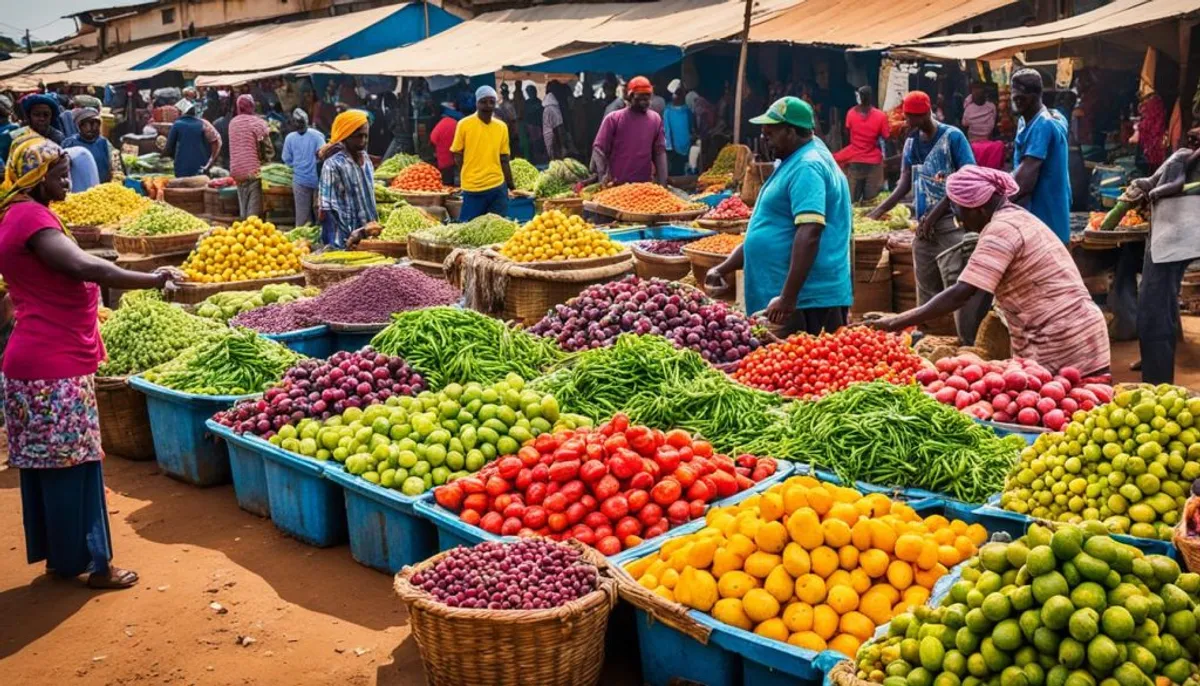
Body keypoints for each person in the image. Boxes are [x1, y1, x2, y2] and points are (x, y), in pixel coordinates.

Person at [0, 133, 184, 590]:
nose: (68, 180)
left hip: (34, 359)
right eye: (60, 174)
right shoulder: (32, 220)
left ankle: (62, 559)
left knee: (49, 468)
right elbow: (87, 268)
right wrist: (152, 278)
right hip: (52, 364)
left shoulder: (16, 215)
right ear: (37, 178)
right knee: (77, 467)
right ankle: (94, 563)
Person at [871, 166, 1110, 376]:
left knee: (1062, 415)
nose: (960, 222)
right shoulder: (1018, 218)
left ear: (978, 209)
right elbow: (981, 292)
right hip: (1077, 331)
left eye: (959, 213)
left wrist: (896, 322)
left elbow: (962, 292)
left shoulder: (1001, 231)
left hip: (1061, 340)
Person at [706, 97, 852, 336]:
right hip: (792, 298)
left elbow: (810, 232)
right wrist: (723, 268)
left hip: (806, 301)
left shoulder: (808, 166)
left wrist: (787, 297)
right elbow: (772, 227)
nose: (764, 137)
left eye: (771, 132)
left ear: (792, 132)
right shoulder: (798, 157)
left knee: (802, 367)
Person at [867, 91, 987, 342]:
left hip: (951, 222)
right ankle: (927, 337)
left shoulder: (952, 137)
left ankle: (966, 339)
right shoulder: (911, 143)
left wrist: (934, 216)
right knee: (924, 282)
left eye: (911, 118)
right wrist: (876, 212)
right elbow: (904, 185)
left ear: (924, 114)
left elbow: (966, 180)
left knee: (956, 282)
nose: (908, 123)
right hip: (923, 225)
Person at [1124, 127, 1200, 384]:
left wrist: (1157, 190)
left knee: (1154, 305)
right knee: (1156, 302)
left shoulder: (1184, 160)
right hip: (1178, 224)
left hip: (1179, 223)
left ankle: (1156, 384)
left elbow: (1174, 183)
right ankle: (1157, 380)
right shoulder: (1181, 157)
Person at [1010, 68, 1071, 244]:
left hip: (1046, 210)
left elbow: (1023, 183)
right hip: (1038, 211)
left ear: (1037, 95)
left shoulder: (1043, 124)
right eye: (1014, 94)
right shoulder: (1026, 120)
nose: (1016, 100)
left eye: (1022, 96)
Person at [452, 86, 514, 222]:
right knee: (470, 230)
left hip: (496, 186)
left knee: (497, 228)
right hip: (473, 188)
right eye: (484, 102)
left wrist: (510, 185)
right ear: (477, 103)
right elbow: (457, 154)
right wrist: (467, 171)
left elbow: (504, 158)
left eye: (492, 102)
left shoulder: (501, 127)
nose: (488, 106)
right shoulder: (464, 125)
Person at [592, 76, 668, 186]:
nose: (645, 100)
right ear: (630, 96)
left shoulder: (655, 119)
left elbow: (659, 152)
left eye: (647, 96)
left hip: (644, 185)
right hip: (617, 184)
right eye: (640, 96)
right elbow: (599, 149)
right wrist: (603, 176)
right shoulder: (614, 119)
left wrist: (663, 183)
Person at [318, 110, 377, 249]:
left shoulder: (366, 160)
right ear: (346, 136)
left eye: (365, 136)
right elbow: (328, 210)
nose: (363, 141)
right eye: (358, 136)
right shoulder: (332, 165)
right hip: (345, 240)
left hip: (369, 235)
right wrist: (345, 239)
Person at [833, 85, 889, 203]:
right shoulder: (881, 116)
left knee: (851, 200)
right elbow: (886, 136)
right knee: (871, 202)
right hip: (873, 162)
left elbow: (847, 133)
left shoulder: (851, 114)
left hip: (855, 160)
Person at [228, 94, 274, 219]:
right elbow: (267, 147)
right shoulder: (257, 122)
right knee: (253, 212)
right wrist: (267, 161)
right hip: (253, 171)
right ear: (252, 106)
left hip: (236, 171)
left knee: (243, 205)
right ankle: (250, 231)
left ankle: (243, 229)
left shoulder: (233, 123)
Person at [281, 109, 325, 228]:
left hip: (300, 181)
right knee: (319, 214)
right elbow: (323, 155)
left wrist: (298, 164)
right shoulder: (317, 136)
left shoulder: (290, 138)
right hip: (317, 180)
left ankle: (302, 240)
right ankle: (319, 238)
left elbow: (287, 159)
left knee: (303, 217)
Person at [164, 102, 220, 178]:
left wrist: (162, 157)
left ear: (182, 112)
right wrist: (210, 161)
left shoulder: (177, 124)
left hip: (183, 167)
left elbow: (169, 147)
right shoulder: (202, 123)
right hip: (201, 166)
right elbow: (215, 142)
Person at [62, 108, 118, 183]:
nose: (91, 129)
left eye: (95, 124)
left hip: (102, 187)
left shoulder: (103, 142)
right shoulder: (70, 143)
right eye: (86, 125)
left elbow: (115, 163)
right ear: (79, 127)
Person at [663, 85, 693, 177]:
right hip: (674, 146)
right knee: (677, 169)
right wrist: (669, 147)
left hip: (687, 143)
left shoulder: (687, 110)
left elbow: (691, 126)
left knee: (688, 167)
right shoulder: (668, 111)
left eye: (680, 94)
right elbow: (666, 129)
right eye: (676, 94)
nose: (678, 97)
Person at [429, 103, 460, 186]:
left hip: (443, 156)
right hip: (455, 156)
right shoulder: (457, 124)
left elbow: (433, 138)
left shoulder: (442, 123)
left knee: (446, 180)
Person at [542, 81, 568, 161]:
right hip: (555, 141)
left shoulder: (547, 106)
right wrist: (563, 146)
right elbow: (559, 127)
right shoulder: (553, 108)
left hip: (548, 138)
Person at [522, 84, 545, 163]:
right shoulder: (527, 103)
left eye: (532, 91)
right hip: (530, 127)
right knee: (532, 145)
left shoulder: (539, 102)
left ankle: (540, 160)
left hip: (538, 126)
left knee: (539, 144)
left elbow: (542, 114)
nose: (531, 93)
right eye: (529, 92)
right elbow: (525, 115)